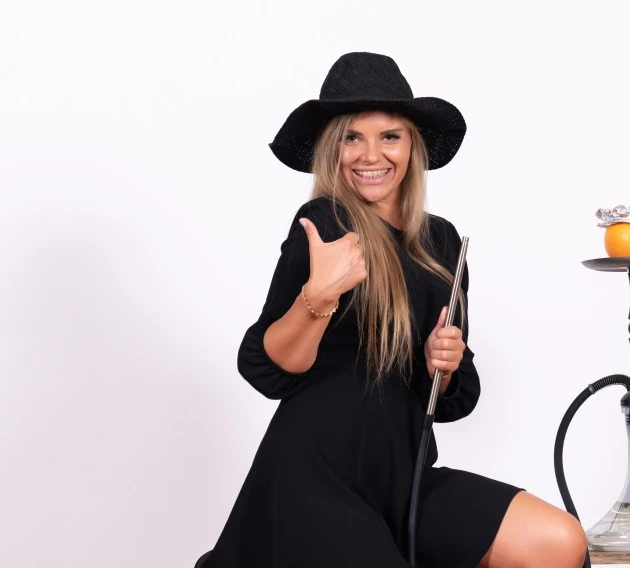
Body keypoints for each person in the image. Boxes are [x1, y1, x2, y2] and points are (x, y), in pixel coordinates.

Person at [202, 52, 587, 567]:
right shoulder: (324, 223)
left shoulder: (442, 241)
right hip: (316, 475)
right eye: (351, 137)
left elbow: (451, 397)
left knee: (558, 540)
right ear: (332, 149)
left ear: (411, 145)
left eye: (389, 136)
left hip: (406, 478)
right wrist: (318, 296)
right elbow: (269, 369)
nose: (371, 155)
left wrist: (444, 364)